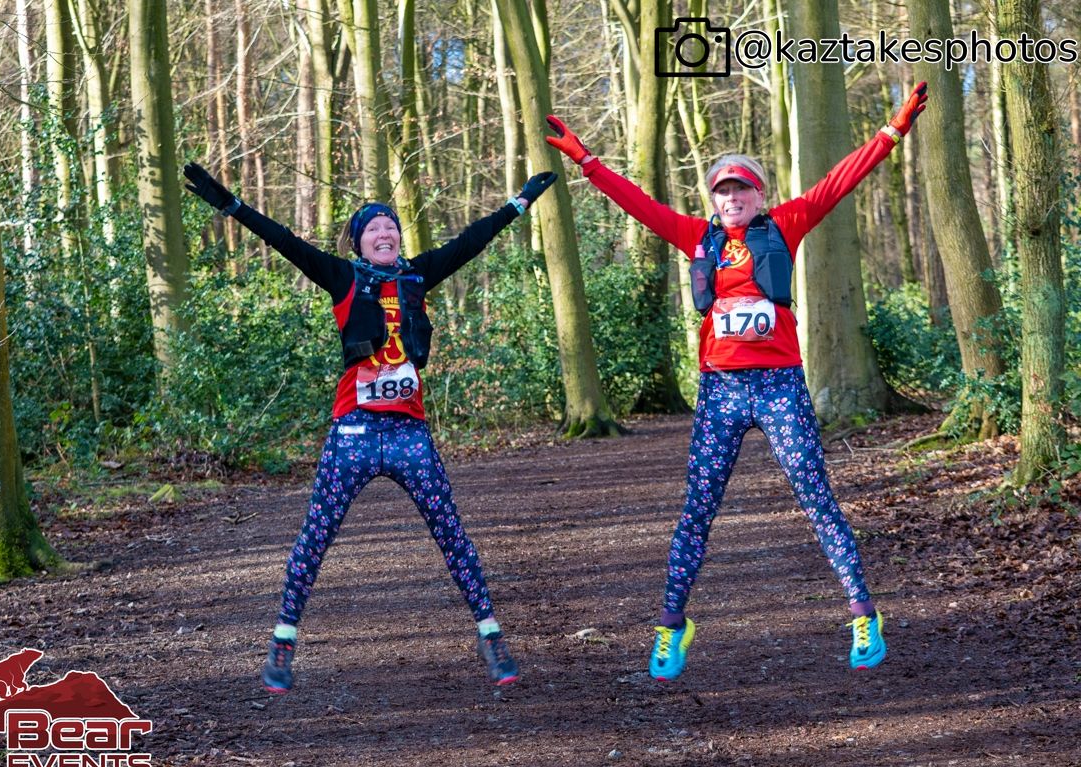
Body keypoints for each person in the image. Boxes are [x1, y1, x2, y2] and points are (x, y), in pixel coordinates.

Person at [545, 83, 928, 679]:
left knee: (814, 493)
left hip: (779, 385)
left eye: (740, 188)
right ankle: (671, 626)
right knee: (698, 508)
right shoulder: (698, 238)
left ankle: (862, 614)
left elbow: (838, 182)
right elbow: (638, 205)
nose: (731, 198)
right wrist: (587, 161)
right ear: (714, 199)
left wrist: (892, 132)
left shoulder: (786, 224)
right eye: (722, 190)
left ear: (759, 194)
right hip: (721, 390)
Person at [183, 162, 557, 692]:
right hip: (353, 431)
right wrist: (233, 207)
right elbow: (285, 241)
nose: (385, 233)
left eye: (391, 226)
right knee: (316, 536)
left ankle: (491, 637)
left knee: (451, 533)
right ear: (358, 242)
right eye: (373, 228)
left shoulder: (418, 275)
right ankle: (283, 642)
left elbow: (471, 242)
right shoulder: (343, 277)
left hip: (409, 434)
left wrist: (518, 203)